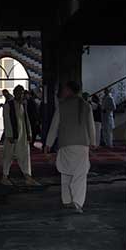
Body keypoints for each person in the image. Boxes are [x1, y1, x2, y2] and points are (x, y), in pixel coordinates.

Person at [44, 80, 96, 212]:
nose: (62, 91)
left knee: (66, 172)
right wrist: (93, 142)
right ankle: (77, 202)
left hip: (65, 144)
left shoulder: (62, 106)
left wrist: (48, 144)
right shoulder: (86, 105)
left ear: (69, 90)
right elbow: (91, 126)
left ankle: (67, 200)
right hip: (82, 144)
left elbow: (54, 126)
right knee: (80, 174)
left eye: (64, 89)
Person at [2, 85, 40, 186]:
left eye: (22, 93)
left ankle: (28, 177)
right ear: (14, 93)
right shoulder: (8, 106)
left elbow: (26, 120)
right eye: (18, 92)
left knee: (25, 156)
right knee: (8, 156)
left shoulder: (23, 105)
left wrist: (29, 133)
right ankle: (4, 177)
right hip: (12, 136)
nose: (20, 94)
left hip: (23, 136)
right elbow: (6, 121)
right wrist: (9, 134)